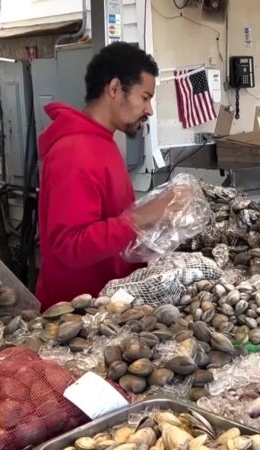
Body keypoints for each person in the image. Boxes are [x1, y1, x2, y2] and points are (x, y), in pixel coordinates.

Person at [36, 42, 175, 309]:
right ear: (114, 89)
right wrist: (141, 217)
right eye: (145, 97)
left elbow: (112, 221)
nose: (149, 110)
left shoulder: (103, 142)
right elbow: (71, 246)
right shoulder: (73, 152)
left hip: (108, 307)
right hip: (75, 318)